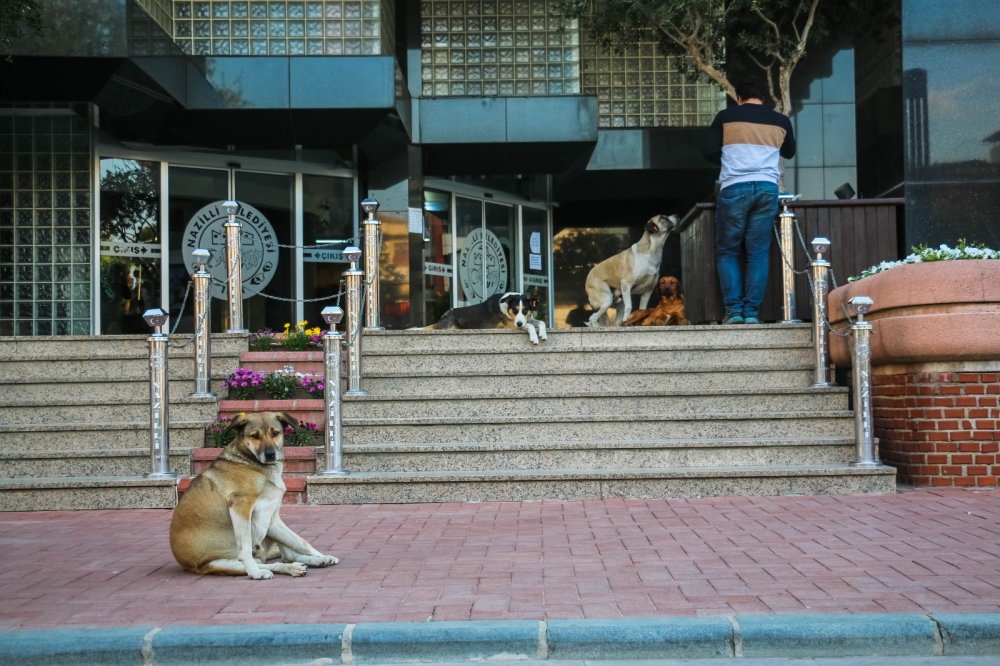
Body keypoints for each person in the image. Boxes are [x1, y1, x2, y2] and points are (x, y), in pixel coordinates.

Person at [702, 76, 796, 324]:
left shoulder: (725, 117)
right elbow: (790, 152)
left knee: (728, 252)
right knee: (758, 254)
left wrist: (733, 160)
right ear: (763, 99)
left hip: (734, 187)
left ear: (739, 98)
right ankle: (751, 313)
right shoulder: (781, 121)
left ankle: (733, 312)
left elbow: (709, 152)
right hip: (767, 189)